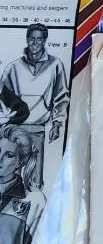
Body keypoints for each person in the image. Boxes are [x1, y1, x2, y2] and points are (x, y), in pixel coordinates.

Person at [1, 24, 68, 190]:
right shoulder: (13, 67)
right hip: (15, 129)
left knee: (35, 181)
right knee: (8, 174)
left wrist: (57, 123)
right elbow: (2, 97)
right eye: (32, 38)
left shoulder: (55, 65)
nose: (35, 42)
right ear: (27, 39)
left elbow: (61, 96)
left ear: (44, 40)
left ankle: (36, 204)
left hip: (38, 128)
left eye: (39, 39)